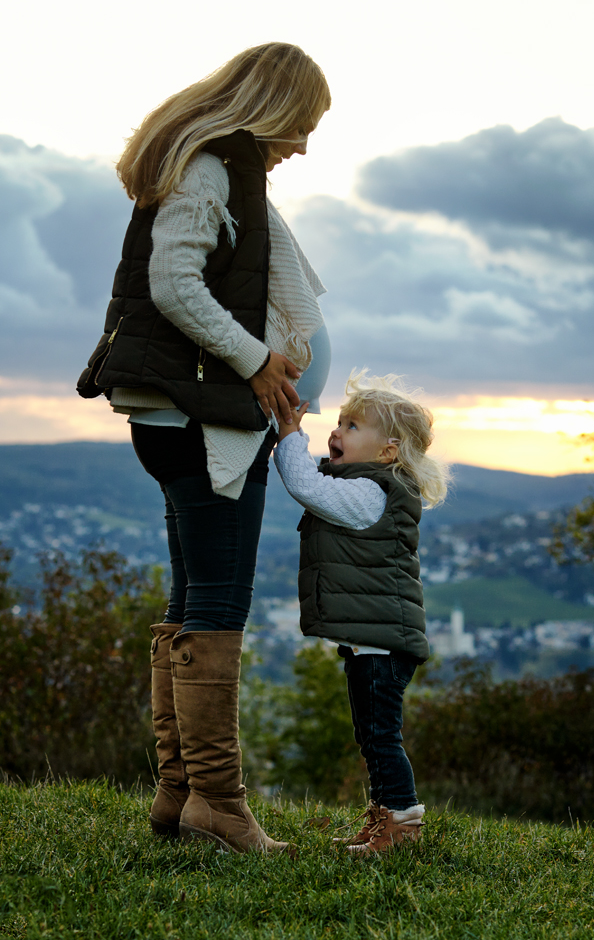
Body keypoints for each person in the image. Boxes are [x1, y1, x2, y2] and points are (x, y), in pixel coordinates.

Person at [77, 43, 331, 853]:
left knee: (192, 602)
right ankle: (219, 804)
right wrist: (258, 360)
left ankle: (179, 796)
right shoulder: (210, 168)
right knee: (218, 606)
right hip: (196, 415)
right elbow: (173, 284)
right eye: (303, 124)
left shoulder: (213, 165)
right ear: (275, 106)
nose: (302, 144)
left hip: (186, 413)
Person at [273, 370, 448, 855]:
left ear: (388, 451)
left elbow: (306, 486)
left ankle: (402, 824)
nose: (337, 431)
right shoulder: (370, 485)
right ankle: (384, 817)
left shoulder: (371, 492)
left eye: (353, 426)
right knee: (371, 736)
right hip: (375, 642)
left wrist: (290, 433)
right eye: (341, 422)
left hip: (382, 645)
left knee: (380, 737)